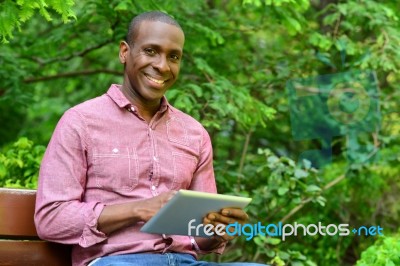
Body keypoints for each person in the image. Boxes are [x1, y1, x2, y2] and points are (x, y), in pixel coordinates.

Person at [34, 11, 266, 266]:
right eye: (151, 51)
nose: (163, 66)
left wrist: (218, 231)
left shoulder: (194, 133)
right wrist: (138, 209)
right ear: (124, 52)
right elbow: (51, 219)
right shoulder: (80, 122)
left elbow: (199, 238)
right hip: (115, 261)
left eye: (173, 56)